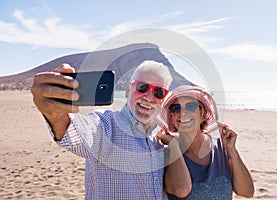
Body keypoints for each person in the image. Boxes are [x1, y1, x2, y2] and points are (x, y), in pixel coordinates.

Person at [31, 60, 173, 200]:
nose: (149, 98)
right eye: (142, 87)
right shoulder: (107, 125)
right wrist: (56, 115)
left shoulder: (161, 138)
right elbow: (80, 132)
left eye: (159, 92)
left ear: (164, 99)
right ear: (128, 90)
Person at [157, 85, 254, 199]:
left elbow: (247, 192)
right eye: (176, 108)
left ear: (203, 114)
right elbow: (180, 189)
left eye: (191, 106)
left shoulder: (221, 148)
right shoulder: (167, 154)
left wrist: (232, 151)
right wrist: (173, 145)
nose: (183, 112)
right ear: (172, 118)